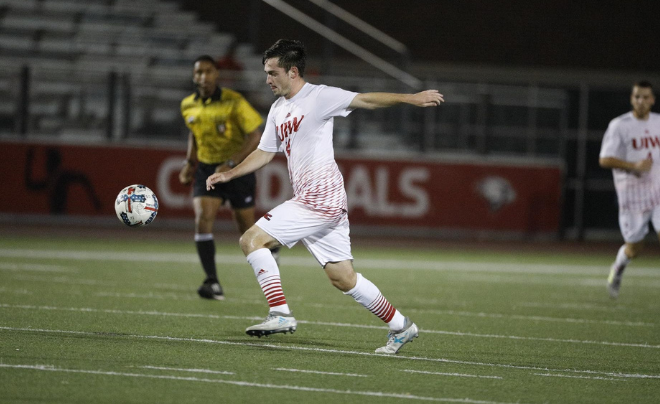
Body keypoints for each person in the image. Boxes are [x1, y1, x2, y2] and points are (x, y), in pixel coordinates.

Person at [206, 39, 444, 354]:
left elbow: (367, 100)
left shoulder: (319, 97)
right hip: (319, 201)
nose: (267, 80)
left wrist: (409, 98)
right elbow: (264, 153)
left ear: (292, 72)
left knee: (251, 240)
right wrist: (231, 172)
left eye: (272, 73)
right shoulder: (278, 109)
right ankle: (402, 326)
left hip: (320, 198)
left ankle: (279, 314)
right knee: (343, 278)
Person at [180, 55, 280, 301]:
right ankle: (212, 282)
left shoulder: (234, 101)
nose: (203, 76)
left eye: (208, 71)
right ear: (194, 76)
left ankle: (269, 247)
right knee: (203, 219)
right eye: (199, 72)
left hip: (237, 170)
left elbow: (255, 136)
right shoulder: (187, 105)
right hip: (207, 169)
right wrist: (189, 164)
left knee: (246, 231)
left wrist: (232, 162)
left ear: (216, 75)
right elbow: (194, 135)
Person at [599, 80, 660, 299]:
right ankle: (618, 268)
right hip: (632, 195)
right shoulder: (620, 125)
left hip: (658, 192)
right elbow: (604, 159)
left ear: (652, 100)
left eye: (645, 97)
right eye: (637, 97)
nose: (641, 101)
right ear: (632, 99)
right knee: (634, 248)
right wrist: (632, 165)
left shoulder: (658, 123)